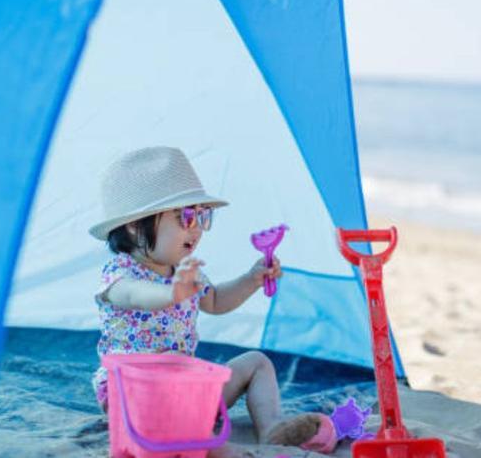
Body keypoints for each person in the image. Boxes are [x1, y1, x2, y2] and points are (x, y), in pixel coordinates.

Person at [89, 146, 337, 453]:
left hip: (187, 389)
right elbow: (134, 296)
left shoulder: (184, 269)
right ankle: (212, 445)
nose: (197, 228)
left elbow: (216, 301)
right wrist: (171, 293)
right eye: (186, 217)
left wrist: (251, 279)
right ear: (135, 225)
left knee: (256, 362)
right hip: (134, 395)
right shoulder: (120, 272)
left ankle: (271, 426)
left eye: (203, 216)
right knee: (181, 415)